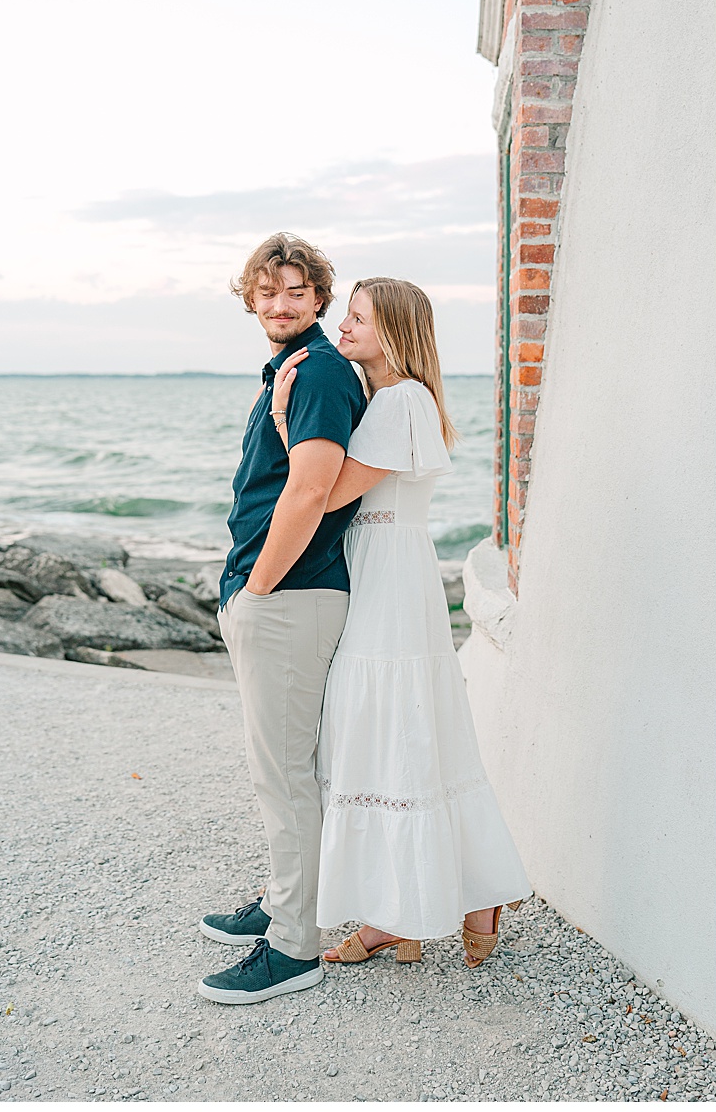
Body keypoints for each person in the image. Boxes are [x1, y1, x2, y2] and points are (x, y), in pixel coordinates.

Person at [268, 277, 532, 967]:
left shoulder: (401, 402)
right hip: (389, 569)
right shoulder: (393, 401)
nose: (343, 328)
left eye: (358, 318)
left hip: (388, 579)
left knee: (386, 727)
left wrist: (281, 417)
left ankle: (427, 906)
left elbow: (324, 493)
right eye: (347, 315)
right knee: (402, 732)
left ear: (394, 333)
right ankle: (414, 908)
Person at [196, 232, 366, 1005]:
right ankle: (282, 897)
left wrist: (257, 587)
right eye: (268, 293)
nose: (281, 303)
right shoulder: (294, 369)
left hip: (290, 596)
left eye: (296, 292)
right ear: (252, 300)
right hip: (281, 592)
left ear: (319, 298)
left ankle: (294, 944)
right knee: (284, 765)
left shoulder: (323, 372)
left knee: (285, 772)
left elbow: (311, 490)